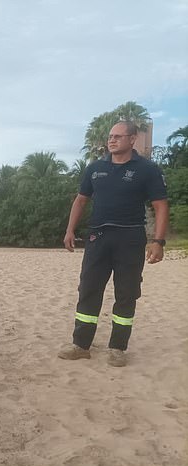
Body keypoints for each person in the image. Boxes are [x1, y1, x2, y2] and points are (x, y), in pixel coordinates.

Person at [59, 121, 169, 367]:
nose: (112, 140)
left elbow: (160, 206)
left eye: (118, 136)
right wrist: (70, 230)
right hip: (98, 237)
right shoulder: (95, 168)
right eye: (110, 136)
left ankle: (117, 348)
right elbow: (80, 200)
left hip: (130, 238)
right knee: (88, 288)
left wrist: (158, 241)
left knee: (126, 293)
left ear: (132, 139)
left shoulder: (147, 170)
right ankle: (81, 345)